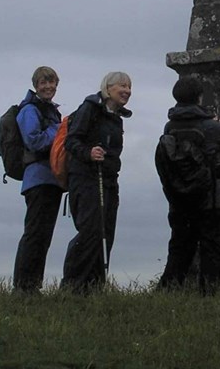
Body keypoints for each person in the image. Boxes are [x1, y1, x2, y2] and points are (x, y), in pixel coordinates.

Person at [158, 76, 220, 293]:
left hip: (179, 196)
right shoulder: (210, 126)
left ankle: (168, 290)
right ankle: (209, 292)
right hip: (208, 195)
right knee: (212, 246)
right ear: (199, 98)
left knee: (180, 246)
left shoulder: (170, 125)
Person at [61, 72, 132, 293]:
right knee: (91, 232)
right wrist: (89, 152)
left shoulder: (116, 117)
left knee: (106, 232)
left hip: (109, 179)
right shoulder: (89, 108)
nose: (127, 91)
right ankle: (73, 286)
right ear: (108, 88)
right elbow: (71, 140)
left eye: (129, 87)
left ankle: (94, 286)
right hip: (86, 178)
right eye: (122, 85)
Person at [13, 66, 63, 293]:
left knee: (43, 236)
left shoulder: (49, 110)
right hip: (38, 179)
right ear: (36, 85)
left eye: (51, 82)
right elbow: (33, 140)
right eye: (43, 83)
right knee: (35, 234)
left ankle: (32, 286)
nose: (48, 87)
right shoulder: (30, 110)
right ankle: (23, 287)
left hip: (51, 180)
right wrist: (59, 130)